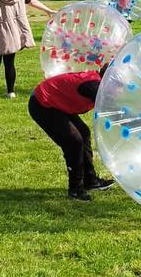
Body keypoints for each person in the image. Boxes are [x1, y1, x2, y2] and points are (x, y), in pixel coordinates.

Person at [29, 66, 116, 200]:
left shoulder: (99, 84)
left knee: (83, 132)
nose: (121, 90)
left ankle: (90, 180)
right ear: (110, 81)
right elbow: (114, 114)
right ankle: (75, 189)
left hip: (57, 103)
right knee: (74, 142)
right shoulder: (94, 87)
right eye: (119, 85)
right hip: (43, 104)